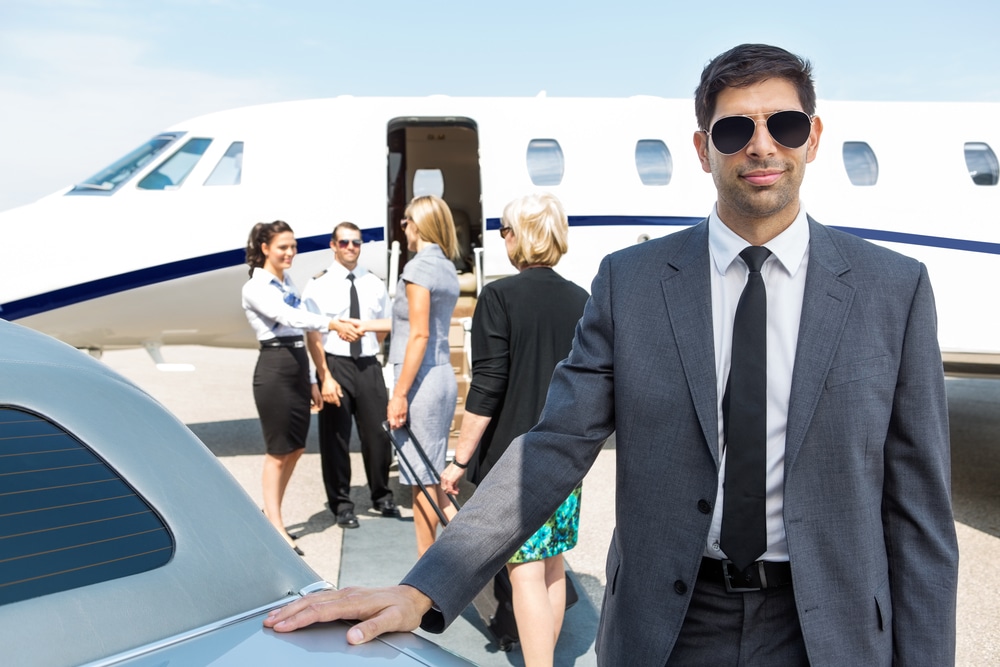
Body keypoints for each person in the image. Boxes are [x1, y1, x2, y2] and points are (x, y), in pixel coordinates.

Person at [265, 44, 959, 666]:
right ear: (701, 147)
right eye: (733, 129)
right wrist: (425, 586)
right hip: (672, 627)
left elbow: (919, 515)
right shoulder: (633, 285)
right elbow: (553, 446)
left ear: (813, 138)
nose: (760, 146)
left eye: (783, 125)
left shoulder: (891, 290)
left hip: (828, 632)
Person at [439, 192, 588, 667]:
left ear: (520, 236)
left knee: (524, 567)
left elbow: (487, 387)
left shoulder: (499, 296)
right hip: (566, 454)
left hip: (515, 461)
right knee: (553, 559)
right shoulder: (581, 298)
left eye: (504, 229)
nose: (501, 237)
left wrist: (459, 459)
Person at [241, 220, 342, 555]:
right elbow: (290, 319)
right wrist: (331, 322)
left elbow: (302, 333)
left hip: (297, 367)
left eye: (293, 247)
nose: (290, 253)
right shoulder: (256, 287)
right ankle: (275, 524)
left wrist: (314, 378)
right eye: (283, 247)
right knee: (277, 450)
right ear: (265, 248)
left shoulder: (286, 281)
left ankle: (272, 513)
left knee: (296, 447)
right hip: (275, 368)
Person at [302, 222, 399, 530]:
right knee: (336, 440)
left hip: (368, 364)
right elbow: (313, 334)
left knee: (378, 434)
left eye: (356, 242)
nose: (351, 248)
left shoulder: (374, 282)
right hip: (336, 365)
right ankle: (342, 504)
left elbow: (385, 324)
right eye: (344, 242)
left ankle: (381, 495)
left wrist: (370, 348)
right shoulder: (318, 284)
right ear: (333, 245)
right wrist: (324, 375)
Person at [379, 195, 461, 555]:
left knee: (423, 482)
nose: (404, 228)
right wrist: (366, 325)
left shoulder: (417, 269)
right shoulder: (444, 266)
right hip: (440, 376)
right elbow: (417, 325)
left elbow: (418, 333)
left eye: (406, 221)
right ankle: (476, 551)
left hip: (420, 383)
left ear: (418, 223)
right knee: (430, 476)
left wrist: (399, 394)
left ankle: (425, 574)